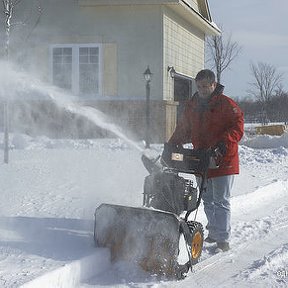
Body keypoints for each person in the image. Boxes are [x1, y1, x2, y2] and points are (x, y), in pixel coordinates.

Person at [168, 69, 244, 252]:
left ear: (214, 85)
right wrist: (172, 144)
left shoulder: (226, 104)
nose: (201, 89)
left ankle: (223, 239)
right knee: (207, 199)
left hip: (223, 159)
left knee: (221, 200)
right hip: (201, 159)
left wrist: (223, 144)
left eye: (205, 86)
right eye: (199, 86)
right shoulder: (193, 104)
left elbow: (238, 126)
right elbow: (184, 128)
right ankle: (214, 232)